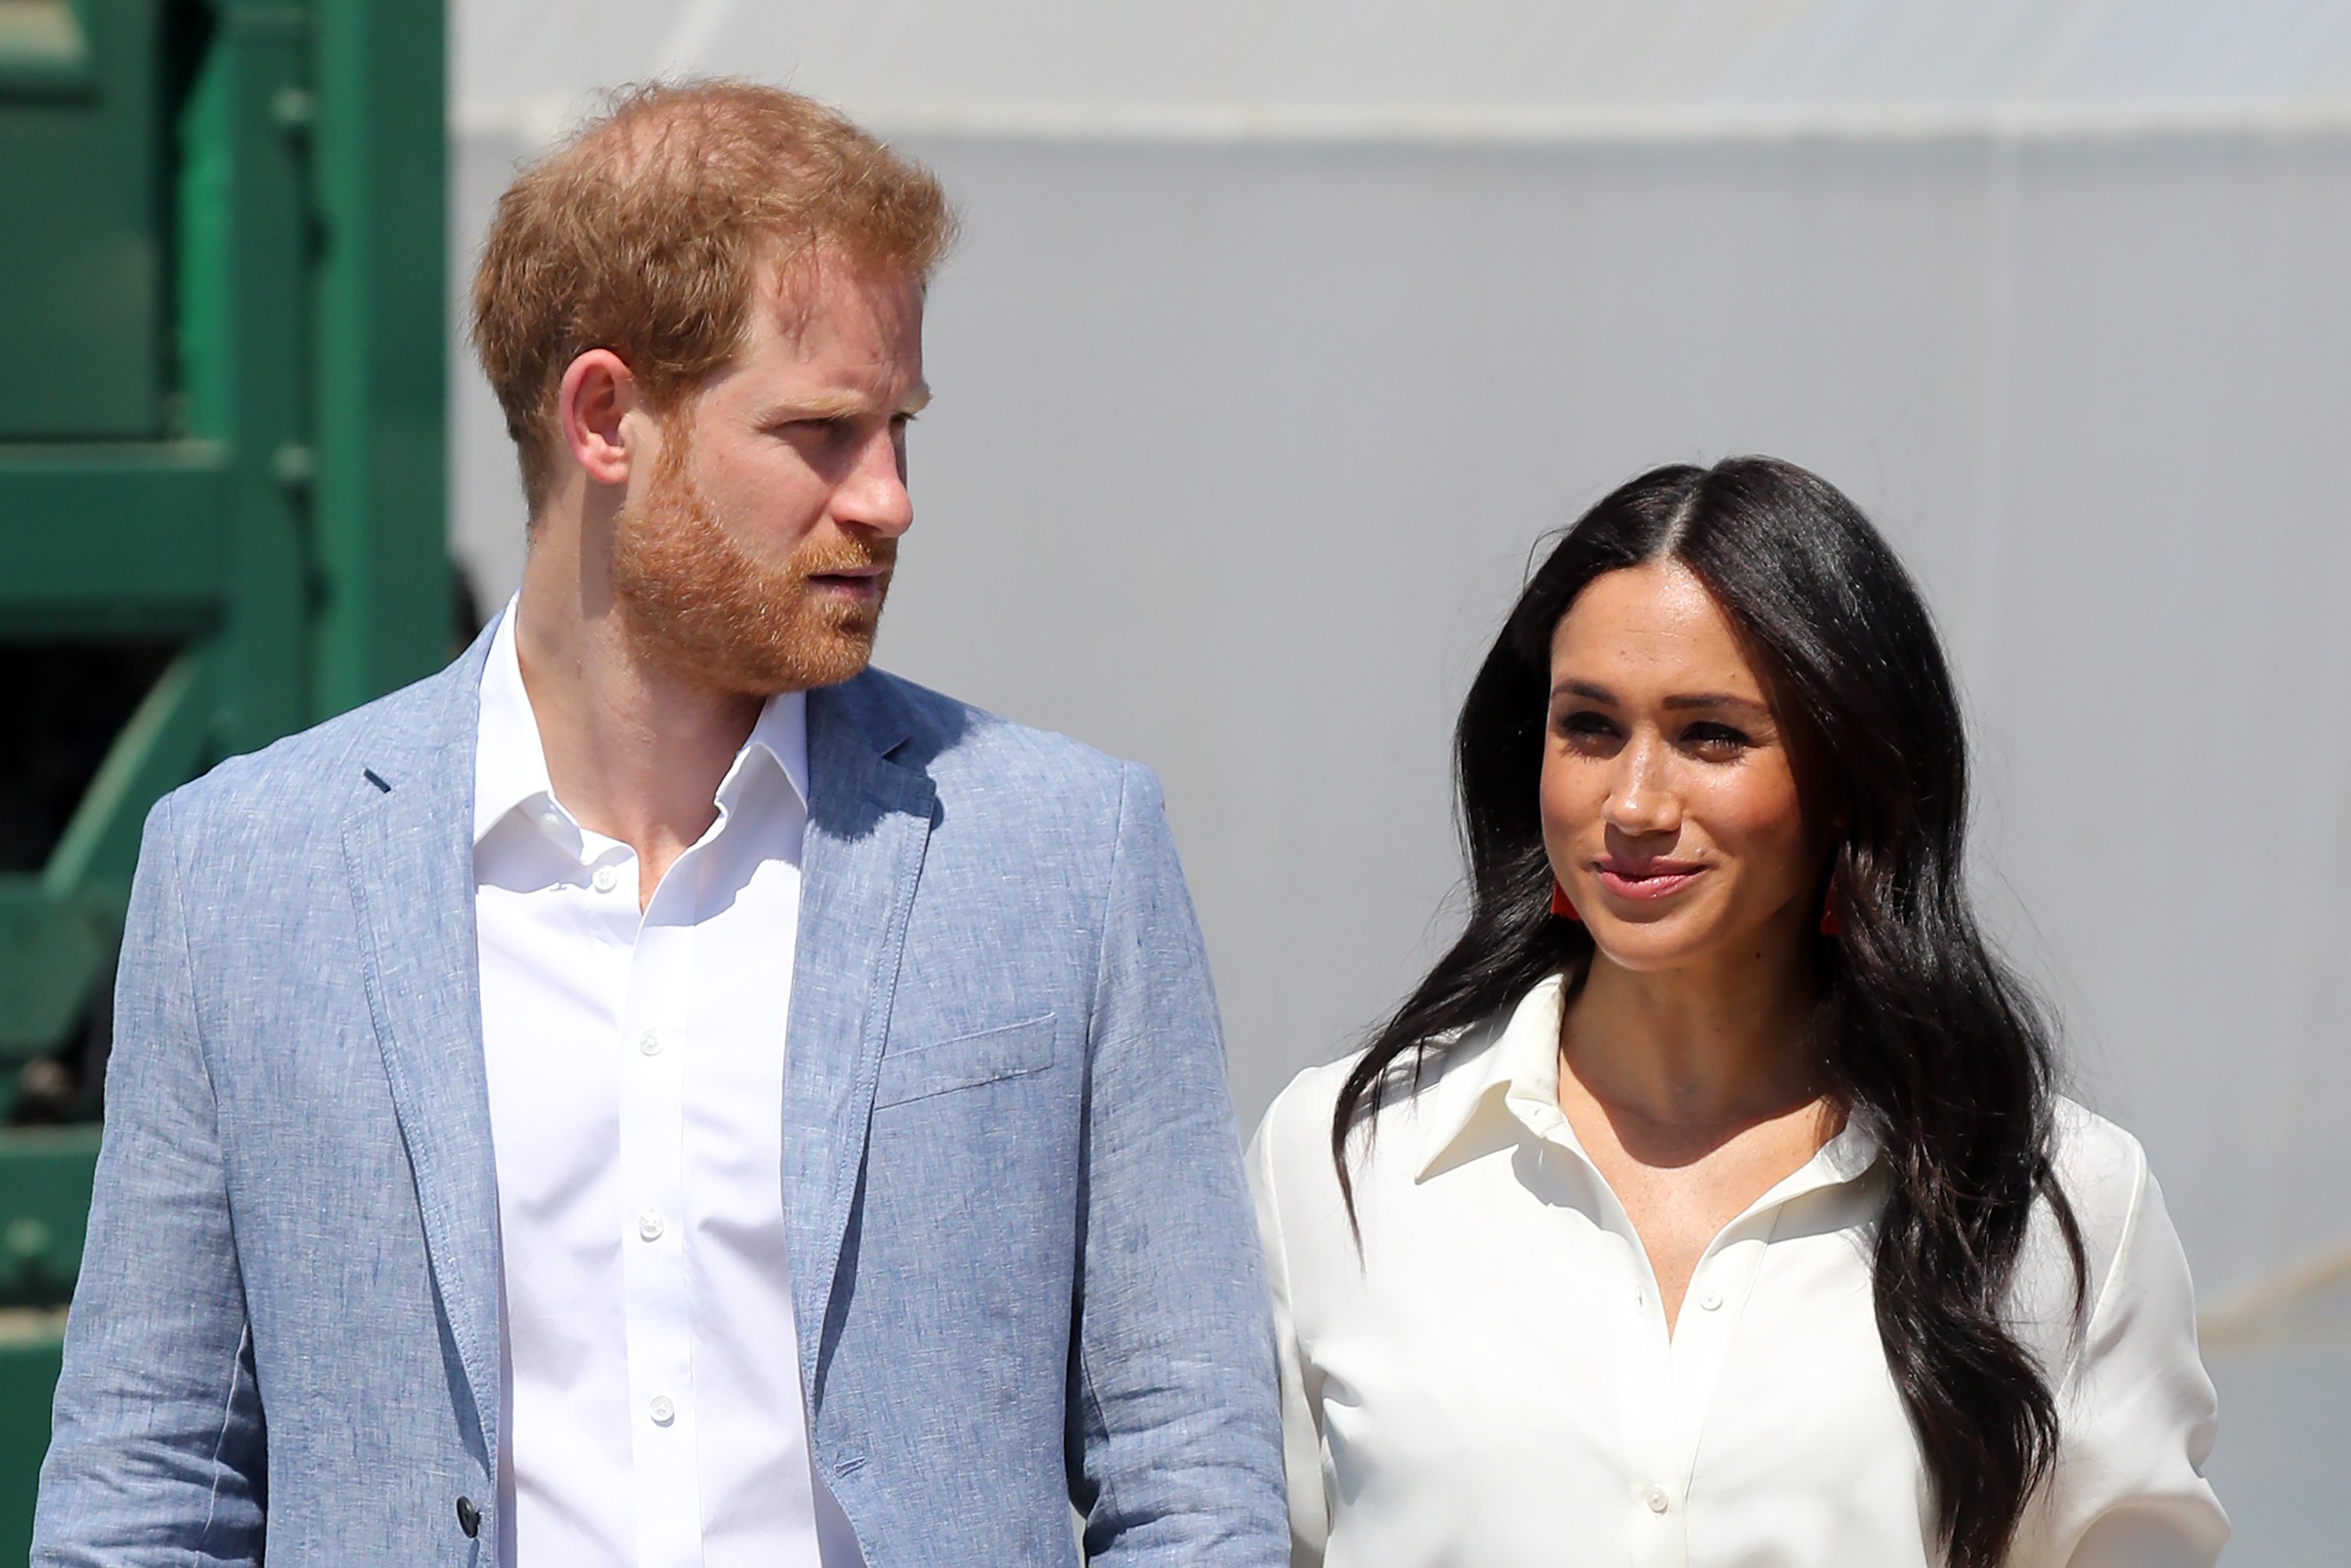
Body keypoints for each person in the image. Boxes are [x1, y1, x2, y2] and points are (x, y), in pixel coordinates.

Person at [35, 80, 1284, 1566]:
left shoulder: (1064, 851)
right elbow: (147, 1487)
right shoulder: (247, 874)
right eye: (823, 431)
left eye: (899, 429)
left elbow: (1191, 1470)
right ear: (606, 417)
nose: (888, 498)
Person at [1248, 457, 2226, 1567]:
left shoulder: (2054, 1201)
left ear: (1851, 777)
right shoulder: (1338, 1160)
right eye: (1589, 727)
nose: (1632, 804)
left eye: (1711, 734)